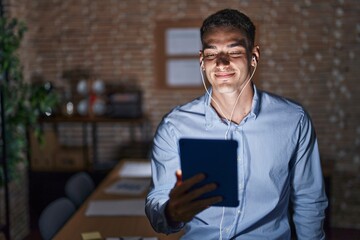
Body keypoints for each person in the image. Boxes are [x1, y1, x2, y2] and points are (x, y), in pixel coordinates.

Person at [145, 8, 328, 240]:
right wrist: (170, 213)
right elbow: (157, 201)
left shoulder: (294, 120)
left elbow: (309, 200)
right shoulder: (174, 126)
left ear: (254, 57)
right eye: (212, 54)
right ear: (202, 61)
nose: (221, 63)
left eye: (234, 51)